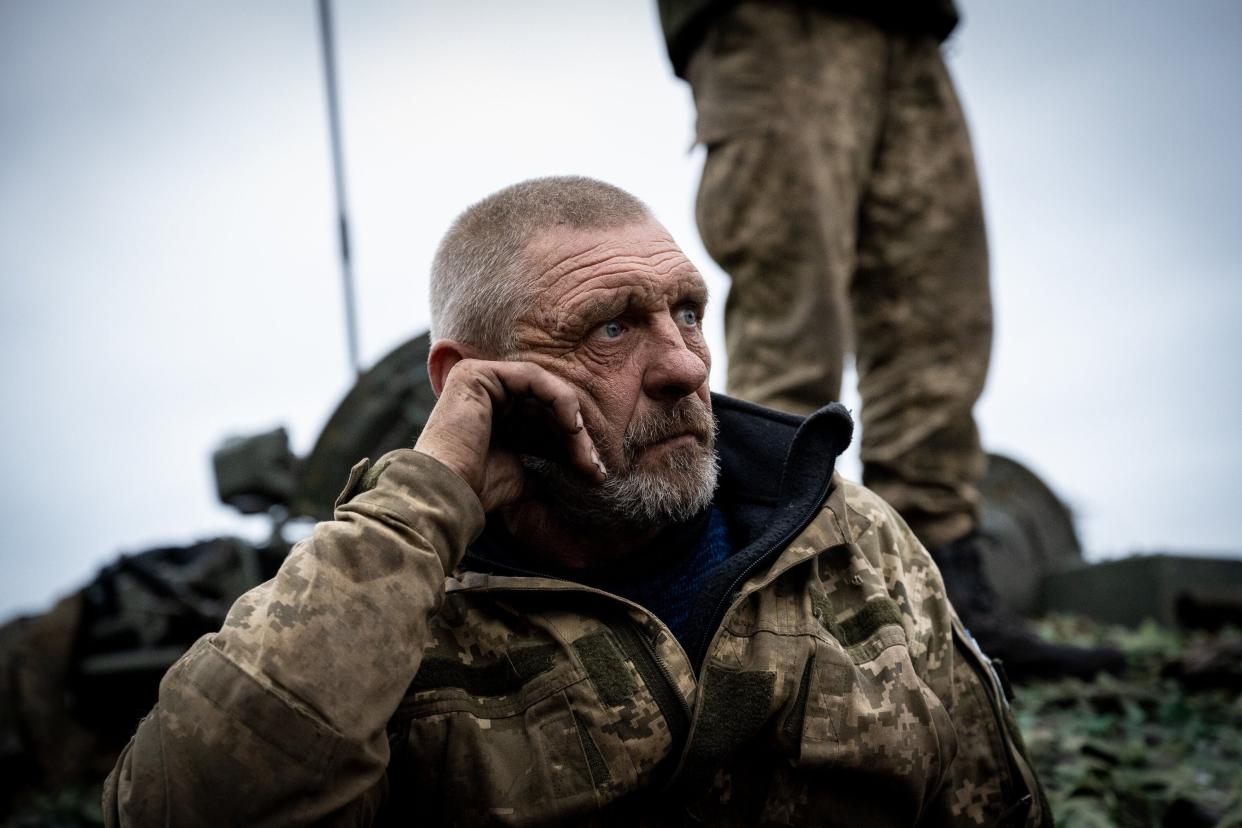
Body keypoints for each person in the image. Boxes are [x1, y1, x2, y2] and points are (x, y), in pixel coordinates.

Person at [104, 177, 1047, 826]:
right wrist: (422, 504)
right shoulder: (388, 607)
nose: (684, 367)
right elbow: (185, 809)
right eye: (610, 326)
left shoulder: (845, 541)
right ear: (470, 378)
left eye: (687, 312)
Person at [656, 0, 1121, 680]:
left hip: (912, 24)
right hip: (772, 19)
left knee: (940, 316)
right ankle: (778, 594)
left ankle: (945, 593)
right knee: (793, 319)